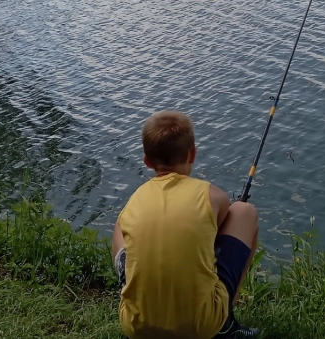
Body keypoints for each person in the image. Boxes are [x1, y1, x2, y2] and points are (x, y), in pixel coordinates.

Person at [112, 111, 261, 339]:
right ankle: (225, 323)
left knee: (120, 225)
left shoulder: (135, 200)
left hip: (136, 326)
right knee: (244, 211)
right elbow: (217, 236)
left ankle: (133, 289)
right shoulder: (212, 195)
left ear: (147, 161)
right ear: (193, 154)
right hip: (201, 327)